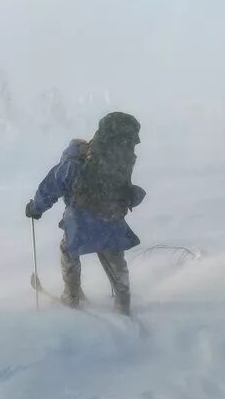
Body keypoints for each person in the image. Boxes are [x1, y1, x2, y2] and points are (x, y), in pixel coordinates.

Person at [24, 111, 146, 315]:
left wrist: (35, 209)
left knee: (68, 250)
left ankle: (72, 296)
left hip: (82, 223)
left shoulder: (70, 165)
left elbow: (49, 189)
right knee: (114, 256)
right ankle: (123, 304)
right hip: (113, 219)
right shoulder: (117, 163)